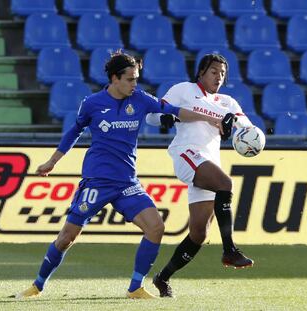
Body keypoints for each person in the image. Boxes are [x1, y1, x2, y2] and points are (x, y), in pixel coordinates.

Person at [15, 50, 225, 300]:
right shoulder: (92, 103)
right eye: (130, 79)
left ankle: (135, 287)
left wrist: (212, 119)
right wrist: (53, 161)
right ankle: (37, 285)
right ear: (115, 78)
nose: (135, 84)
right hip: (97, 181)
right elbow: (74, 132)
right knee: (67, 238)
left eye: (136, 79)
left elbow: (177, 111)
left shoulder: (141, 99)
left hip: (127, 183)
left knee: (156, 227)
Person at [146, 54, 255, 298]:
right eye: (214, 71)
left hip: (208, 164)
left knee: (199, 233)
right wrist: (167, 116)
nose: (219, 76)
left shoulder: (228, 102)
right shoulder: (183, 90)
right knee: (226, 184)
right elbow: (151, 116)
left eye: (223, 73)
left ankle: (162, 278)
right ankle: (230, 250)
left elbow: (246, 128)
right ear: (201, 72)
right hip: (187, 155)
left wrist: (245, 132)